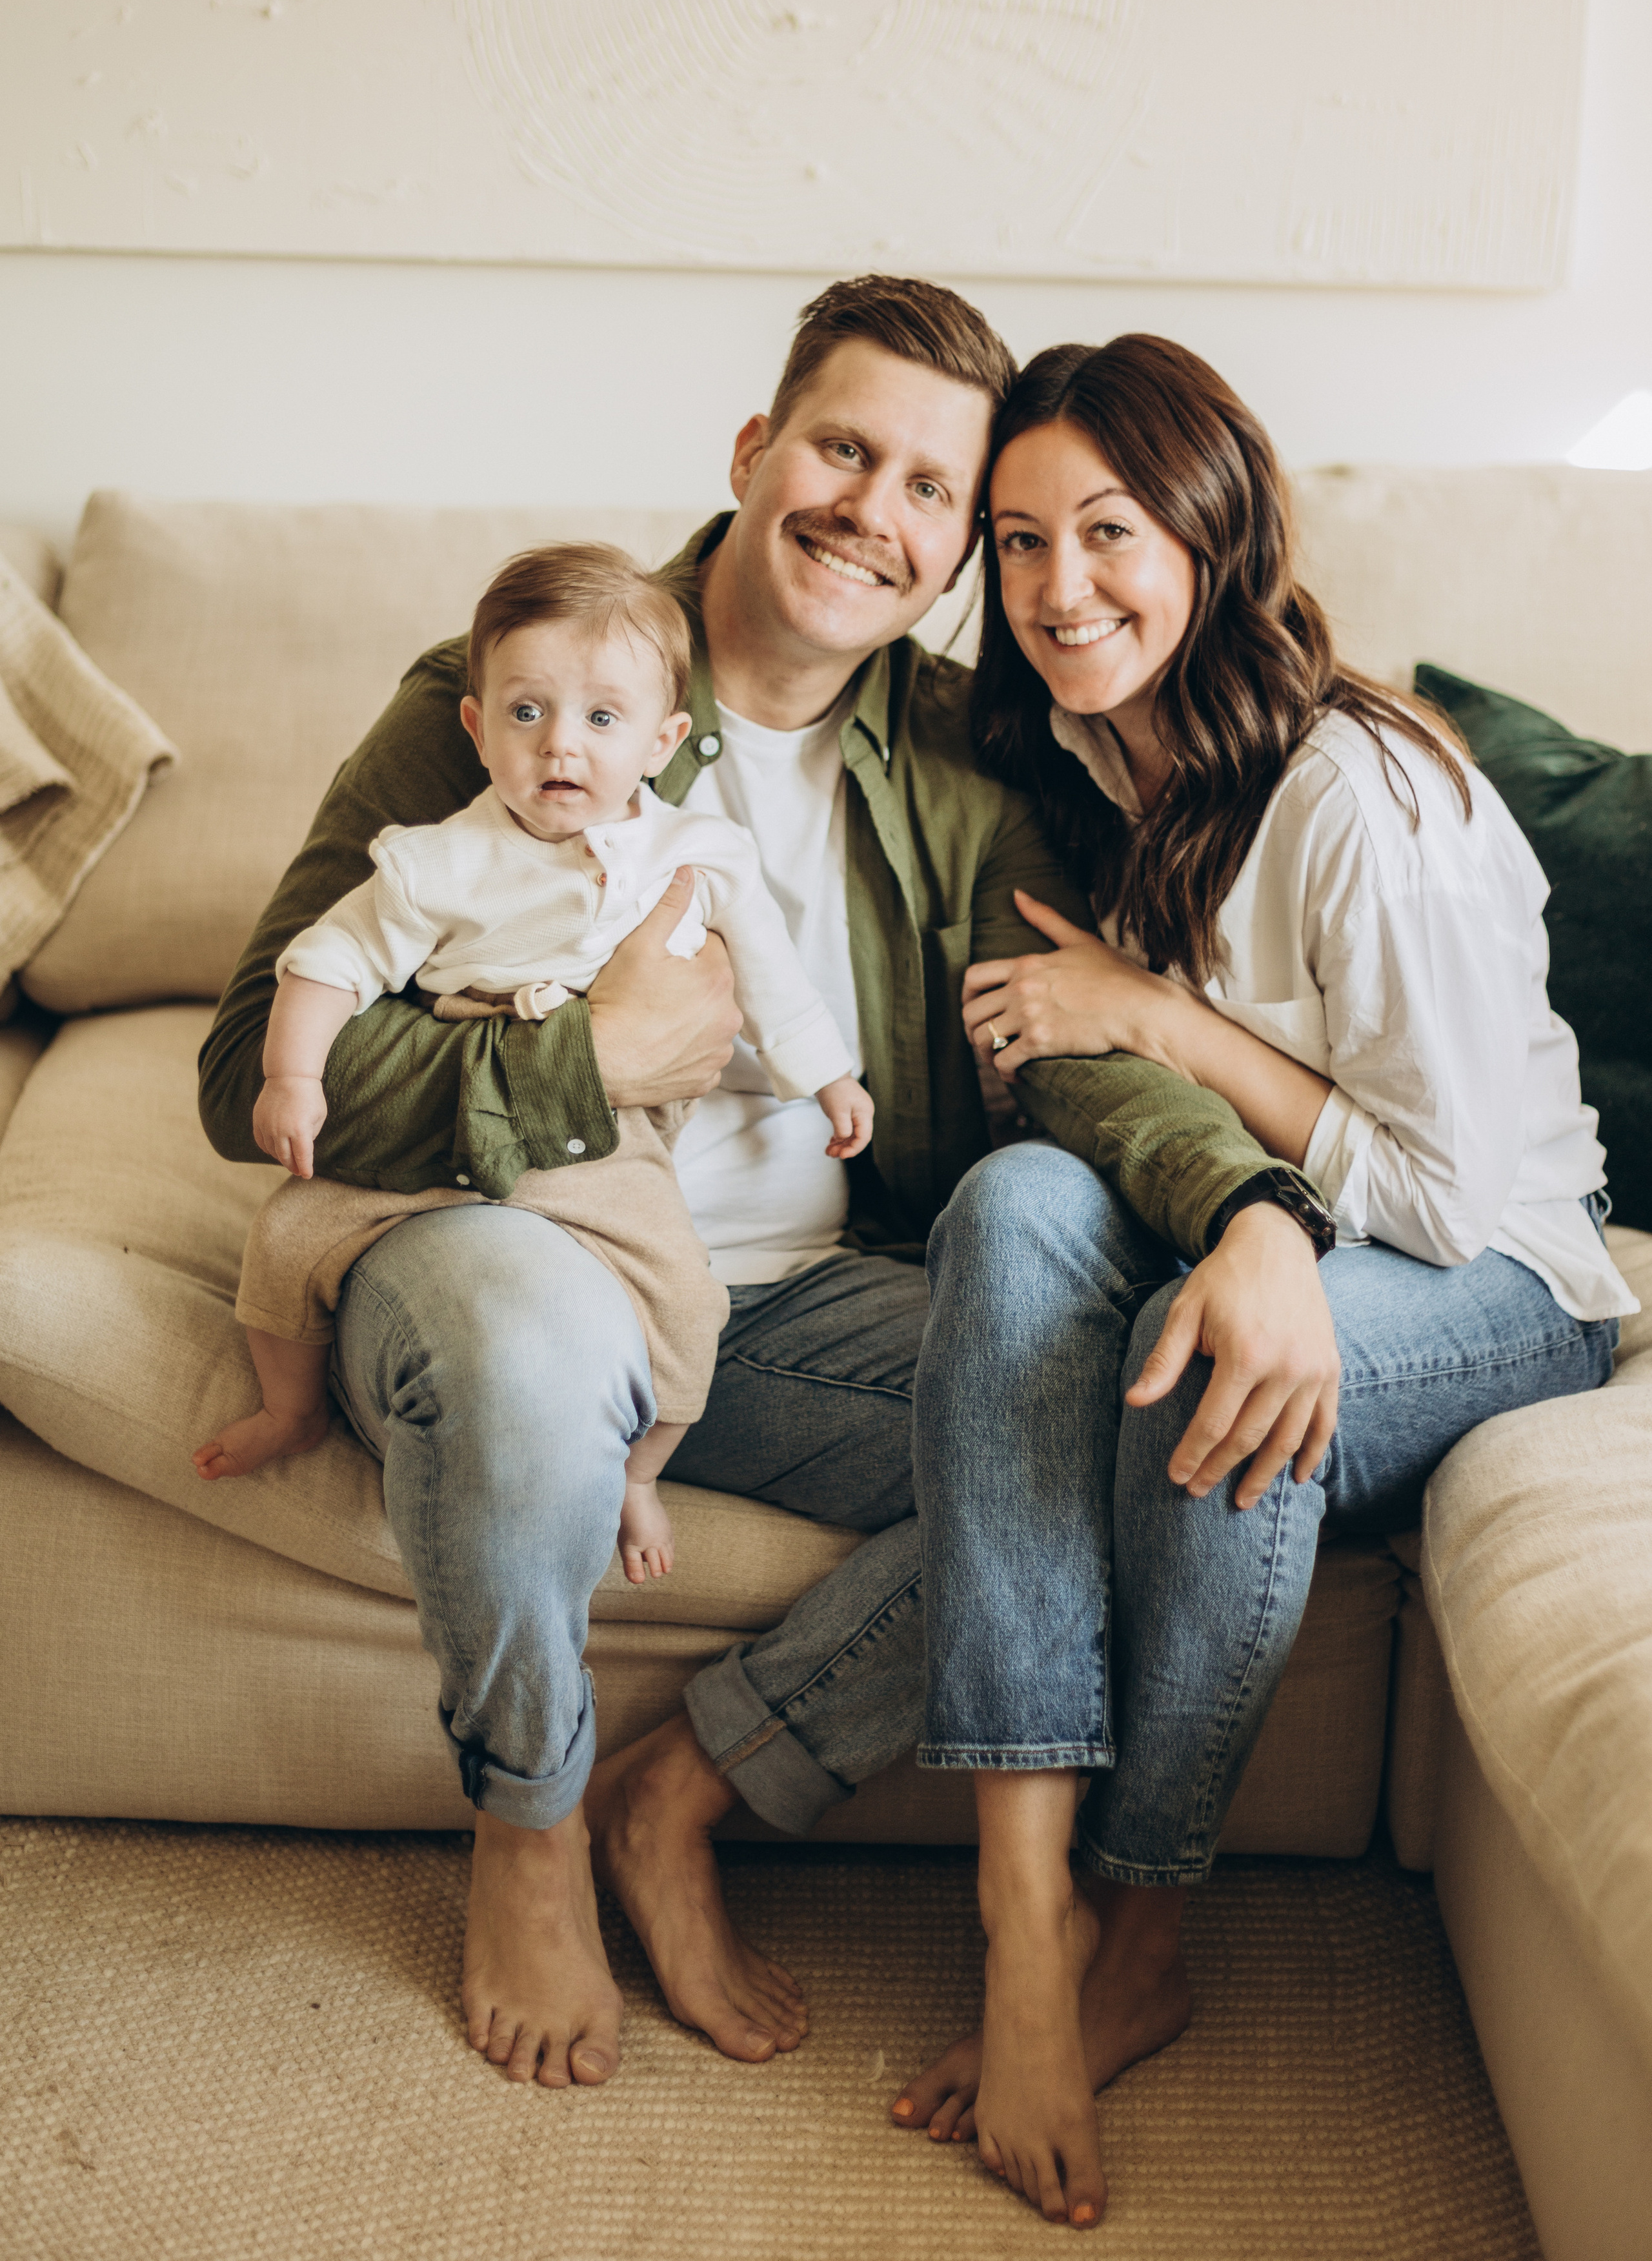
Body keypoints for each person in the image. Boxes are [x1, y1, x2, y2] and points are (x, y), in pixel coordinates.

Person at [198, 279, 1340, 2098]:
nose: (870, 512)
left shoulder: (975, 755)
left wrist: (1251, 1208)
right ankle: (531, 1822)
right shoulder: (529, 689)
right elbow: (249, 1054)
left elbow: (1072, 1045)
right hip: (509, 1242)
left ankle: (690, 1782)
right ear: (753, 450)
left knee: (1148, 1438)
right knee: (513, 1330)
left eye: (927, 491)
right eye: (841, 449)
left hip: (793, 1297)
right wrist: (587, 1070)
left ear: (960, 547)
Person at [891, 334, 1635, 2227]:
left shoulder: (1355, 795)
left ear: (1213, 528)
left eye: (1112, 533)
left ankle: (1144, 1924)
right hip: (1278, 1221)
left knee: (1187, 1334)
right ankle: (1025, 1917)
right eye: (1020, 541)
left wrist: (1159, 1020)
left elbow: (1450, 1187)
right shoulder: (1066, 747)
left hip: (1504, 1278)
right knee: (1008, 1219)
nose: (1063, 592)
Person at [191, 543, 871, 1591]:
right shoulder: (437, 860)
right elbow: (329, 958)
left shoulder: (700, 854)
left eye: (602, 719)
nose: (561, 745)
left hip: (616, 1152)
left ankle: (642, 1471)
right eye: (526, 714)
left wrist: (828, 1078)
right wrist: (295, 1077)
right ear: (476, 727)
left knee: (687, 1308)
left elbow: (775, 980)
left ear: (663, 741)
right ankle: (291, 1406)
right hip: (459, 1127)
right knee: (286, 1235)